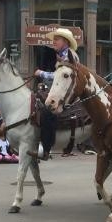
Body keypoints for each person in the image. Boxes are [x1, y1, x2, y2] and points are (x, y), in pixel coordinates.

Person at [27, 28, 79, 160]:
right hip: (61, 89)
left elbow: (59, 76)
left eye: (57, 39)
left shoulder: (69, 56)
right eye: (54, 39)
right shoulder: (62, 55)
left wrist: (41, 73)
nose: (53, 42)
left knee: (47, 111)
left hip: (67, 92)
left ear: (65, 41)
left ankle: (46, 149)